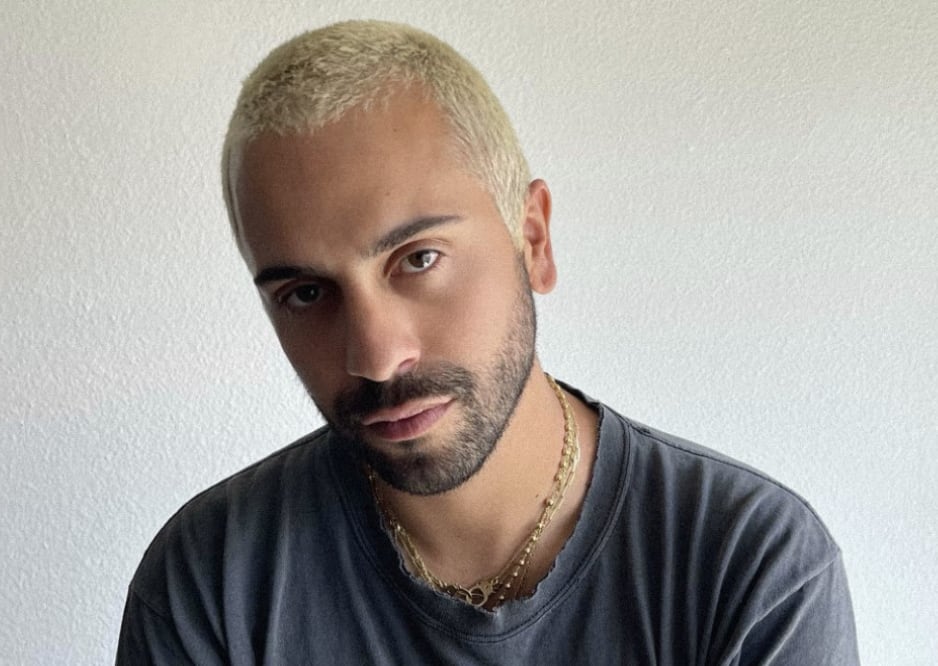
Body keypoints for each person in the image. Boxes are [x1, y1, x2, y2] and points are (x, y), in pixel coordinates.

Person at [117, 20, 859, 664]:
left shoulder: (747, 563)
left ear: (532, 238)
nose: (375, 356)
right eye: (306, 294)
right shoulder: (209, 582)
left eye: (418, 259)